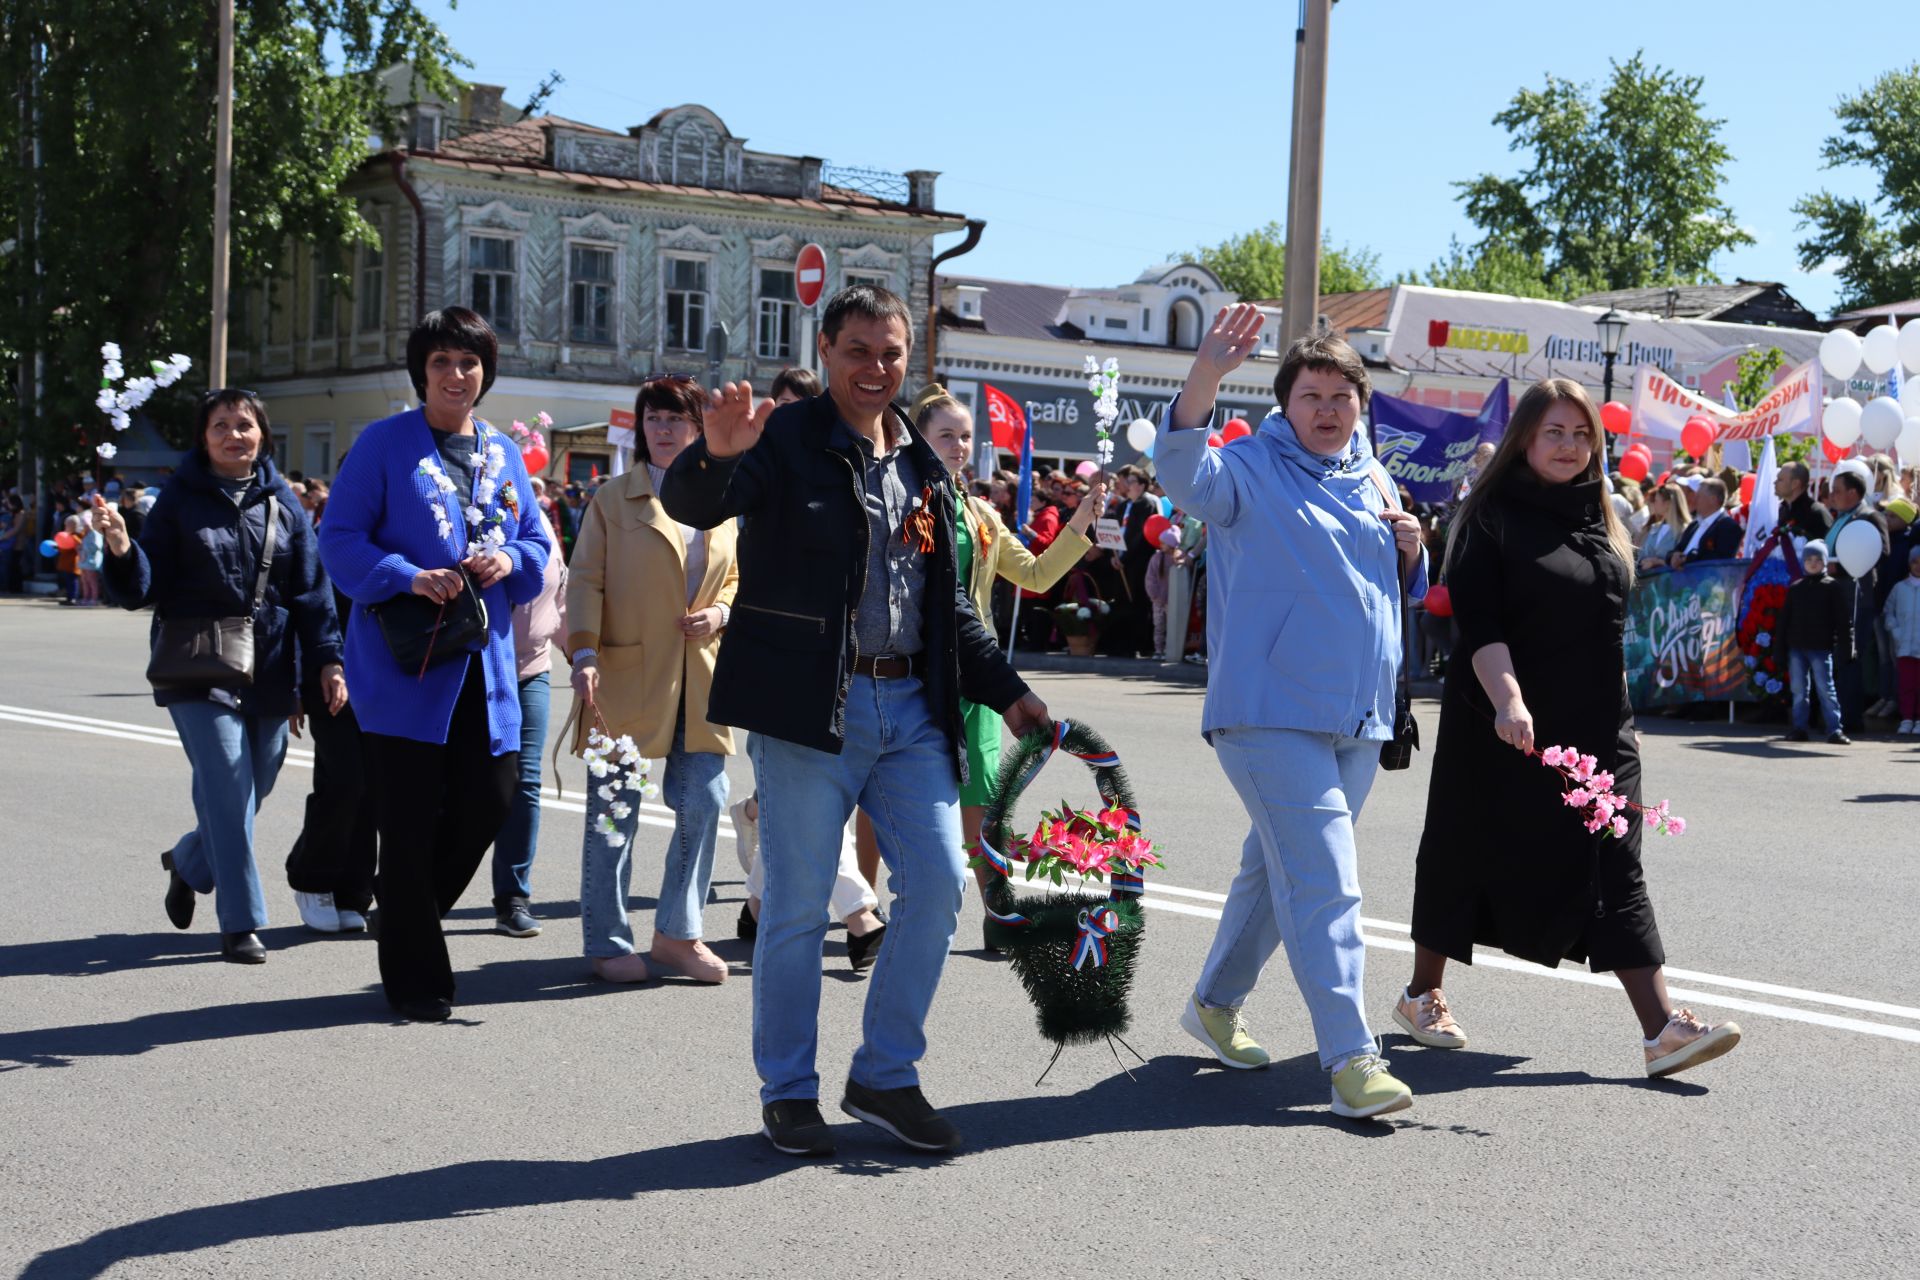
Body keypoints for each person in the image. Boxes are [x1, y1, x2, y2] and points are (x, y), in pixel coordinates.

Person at [661, 284, 1050, 1157]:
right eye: (857, 351)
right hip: (809, 708)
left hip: (911, 706)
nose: (876, 368)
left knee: (941, 884)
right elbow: (696, 504)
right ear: (827, 351)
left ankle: (883, 1074)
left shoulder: (920, 458)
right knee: (800, 906)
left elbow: (947, 600)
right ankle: (789, 1091)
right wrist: (714, 456)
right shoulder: (785, 439)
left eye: (892, 352)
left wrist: (1010, 690)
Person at [1408, 376, 1741, 1080]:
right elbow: (1482, 627)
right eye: (1554, 432)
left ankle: (1662, 1031)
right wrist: (1508, 701)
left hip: (1599, 729)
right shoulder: (1489, 518)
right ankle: (1421, 992)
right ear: (1525, 438)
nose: (1569, 446)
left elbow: (1607, 629)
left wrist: (1623, 717)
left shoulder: (1600, 515)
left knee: (1615, 861)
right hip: (1506, 724)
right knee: (1465, 852)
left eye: (1581, 433)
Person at [1157, 304, 1426, 1120]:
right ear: (1285, 402)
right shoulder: (1247, 468)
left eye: (1343, 396)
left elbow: (1389, 593)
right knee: (1326, 882)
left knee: (1276, 880)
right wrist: (1205, 372)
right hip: (1268, 712)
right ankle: (1351, 1059)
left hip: (1357, 717)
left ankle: (1212, 1003)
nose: (1329, 410)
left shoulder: (1372, 473)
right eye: (1312, 395)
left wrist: (1415, 552)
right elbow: (1181, 476)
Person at [318, 307, 551, 1022]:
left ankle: (407, 906)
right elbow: (340, 539)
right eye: (443, 362)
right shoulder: (383, 444)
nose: (457, 375)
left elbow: (538, 545)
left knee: (493, 798)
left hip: (485, 666)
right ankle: (418, 978)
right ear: (422, 370)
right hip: (405, 669)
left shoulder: (502, 453)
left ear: (487, 372)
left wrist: (508, 557)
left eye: (470, 362)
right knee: (411, 822)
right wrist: (405, 574)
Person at [95, 389, 344, 963]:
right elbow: (142, 587)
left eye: (245, 425)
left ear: (263, 434)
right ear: (202, 438)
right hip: (197, 664)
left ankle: (188, 862)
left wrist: (327, 662)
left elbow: (311, 593)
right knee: (229, 783)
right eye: (220, 426)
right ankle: (241, 923)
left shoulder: (284, 503)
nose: (234, 435)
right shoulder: (179, 501)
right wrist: (120, 544)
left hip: (272, 666)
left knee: (254, 782)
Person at [909, 382, 1101, 945]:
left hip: (982, 679)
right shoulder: (904, 508)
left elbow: (1037, 576)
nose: (960, 445)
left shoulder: (982, 514)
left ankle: (997, 912)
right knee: (897, 797)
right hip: (917, 677)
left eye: (966, 436)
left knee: (984, 796)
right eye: (946, 434)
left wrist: (1081, 521)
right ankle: (866, 906)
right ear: (917, 439)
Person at [565, 374, 739, 985]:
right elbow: (584, 579)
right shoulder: (614, 498)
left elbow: (740, 576)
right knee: (616, 810)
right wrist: (583, 653)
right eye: (654, 418)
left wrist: (720, 612)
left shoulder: (726, 494)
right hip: (623, 674)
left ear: (698, 428)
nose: (663, 430)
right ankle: (608, 939)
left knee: (703, 803)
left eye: (676, 419)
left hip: (701, 676)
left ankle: (678, 933)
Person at [490, 497, 567, 938]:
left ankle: (512, 898)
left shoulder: (541, 520)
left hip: (531, 669)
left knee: (525, 780)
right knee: (462, 784)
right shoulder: (472, 510)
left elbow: (560, 596)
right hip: (471, 667)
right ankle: (420, 892)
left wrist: (581, 653)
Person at [1826, 461, 1889, 734]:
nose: (1832, 496)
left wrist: (1842, 565)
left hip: (1857, 596)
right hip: (1835, 595)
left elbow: (1882, 551)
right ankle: (1834, 716)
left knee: (1850, 659)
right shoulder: (1839, 517)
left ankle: (1849, 719)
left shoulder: (1870, 517)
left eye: (1837, 490)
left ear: (1853, 492)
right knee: (1837, 658)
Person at [1777, 540, 1853, 744]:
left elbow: (1843, 621)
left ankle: (1835, 729)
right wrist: (1779, 649)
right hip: (1796, 647)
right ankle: (1799, 727)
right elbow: (1784, 621)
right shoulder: (1796, 588)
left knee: (1825, 688)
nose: (1813, 563)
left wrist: (1847, 647)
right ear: (1803, 562)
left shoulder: (1832, 587)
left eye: (1818, 560)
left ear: (1825, 562)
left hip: (1821, 647)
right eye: (1809, 559)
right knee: (1799, 690)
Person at [1109, 464, 1157, 658]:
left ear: (1142, 485)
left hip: (1137, 562)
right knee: (1121, 603)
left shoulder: (1146, 504)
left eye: (1132, 482)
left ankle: (1139, 644)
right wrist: (1113, 556)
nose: (1127, 486)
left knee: (1137, 603)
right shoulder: (1122, 505)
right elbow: (1114, 530)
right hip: (1119, 560)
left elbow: (1139, 535)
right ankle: (1120, 644)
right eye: (1126, 482)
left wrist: (1125, 558)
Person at [1880, 544, 1920, 735]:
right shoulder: (1899, 588)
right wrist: (1895, 632)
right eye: (1915, 562)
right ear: (1909, 564)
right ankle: (1907, 719)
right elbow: (1889, 612)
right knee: (1906, 684)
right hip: (1904, 647)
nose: (1918, 566)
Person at [1667, 477, 1740, 567]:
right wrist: (1673, 556)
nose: (1695, 500)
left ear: (1713, 499)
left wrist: (1687, 558)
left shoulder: (1728, 527)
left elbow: (1720, 560)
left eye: (1699, 496)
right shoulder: (1694, 525)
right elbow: (1677, 549)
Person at [1773, 461, 1831, 546]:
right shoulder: (1782, 510)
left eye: (1780, 479)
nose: (1775, 483)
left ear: (1795, 484)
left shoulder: (1817, 513)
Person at [1637, 480, 1688, 571]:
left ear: (1668, 503)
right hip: (1650, 582)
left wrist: (1657, 562)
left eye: (1656, 500)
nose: (1654, 504)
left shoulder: (1684, 530)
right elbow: (1641, 555)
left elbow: (1682, 563)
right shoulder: (1654, 528)